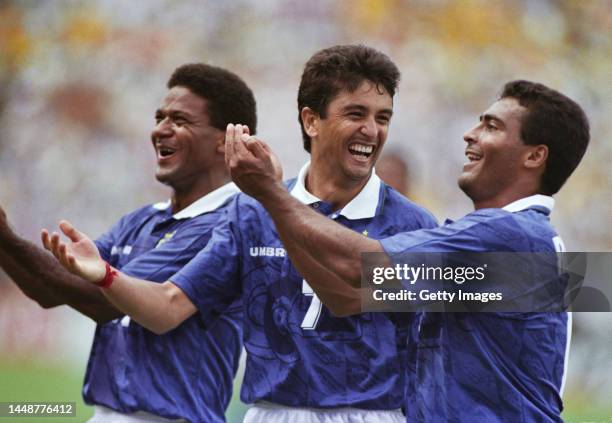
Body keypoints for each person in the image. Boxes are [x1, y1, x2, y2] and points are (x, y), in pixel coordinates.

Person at [43, 45, 437, 422]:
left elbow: (370, 310)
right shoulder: (250, 212)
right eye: (356, 114)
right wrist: (106, 275)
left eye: (382, 118)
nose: (371, 130)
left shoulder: (413, 224)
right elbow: (169, 307)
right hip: (271, 413)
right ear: (311, 120)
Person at [221, 80, 590, 422]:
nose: (470, 134)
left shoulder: (509, 236)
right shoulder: (515, 245)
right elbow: (348, 297)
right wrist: (275, 203)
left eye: (492, 127)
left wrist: (270, 193)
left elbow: (359, 264)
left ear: (534, 156)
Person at [0, 63, 257, 423]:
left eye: (180, 121)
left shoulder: (227, 224)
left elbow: (105, 301)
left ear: (225, 140)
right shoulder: (141, 221)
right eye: (160, 117)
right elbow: (52, 288)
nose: (160, 130)